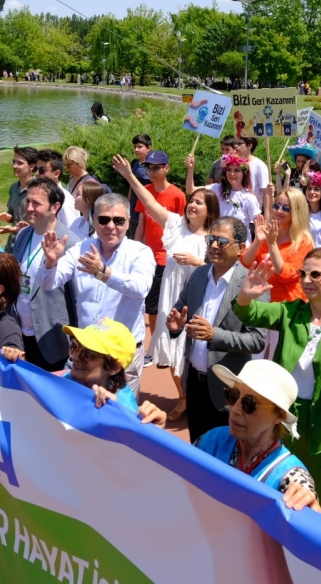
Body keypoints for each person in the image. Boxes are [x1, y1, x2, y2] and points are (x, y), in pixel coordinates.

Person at [234, 250, 321, 520]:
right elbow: (248, 313)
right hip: (284, 418)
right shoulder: (291, 311)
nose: (307, 280)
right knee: (277, 487)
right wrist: (246, 295)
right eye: (303, 273)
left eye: (315, 274)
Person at [115, 154, 216, 411]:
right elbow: (149, 202)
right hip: (170, 297)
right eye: (192, 201)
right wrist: (130, 176)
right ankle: (182, 398)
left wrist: (197, 262)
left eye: (199, 203)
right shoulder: (175, 225)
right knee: (170, 346)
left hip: (198, 300)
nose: (192, 205)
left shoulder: (215, 238)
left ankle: (196, 397)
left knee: (192, 350)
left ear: (210, 211)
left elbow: (225, 271)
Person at [40, 193, 155, 398]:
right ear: (94, 220)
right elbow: (49, 283)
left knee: (118, 411)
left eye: (118, 220)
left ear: (128, 222)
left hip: (120, 356)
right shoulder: (80, 249)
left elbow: (141, 288)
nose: (111, 226)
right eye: (104, 220)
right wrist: (50, 262)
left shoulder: (140, 252)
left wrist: (104, 272)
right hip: (86, 351)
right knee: (79, 407)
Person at [166, 217, 267, 439]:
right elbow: (180, 311)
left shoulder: (251, 284)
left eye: (221, 241)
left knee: (224, 451)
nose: (213, 245)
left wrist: (215, 335)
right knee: (196, 446)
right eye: (210, 239)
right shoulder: (198, 275)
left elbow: (257, 340)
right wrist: (175, 327)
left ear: (241, 247)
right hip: (194, 384)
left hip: (228, 390)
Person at [195, 360, 321, 513]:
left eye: (249, 404)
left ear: (278, 416)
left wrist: (310, 507)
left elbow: (313, 516)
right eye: (233, 395)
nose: (235, 410)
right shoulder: (213, 440)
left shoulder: (290, 476)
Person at [2, 177, 78, 371]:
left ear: (55, 207)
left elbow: (77, 299)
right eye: (28, 201)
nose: (29, 208)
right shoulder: (23, 235)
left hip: (52, 343)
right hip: (20, 337)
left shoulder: (71, 243)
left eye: (36, 203)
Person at [133, 149, 187, 359]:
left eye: (155, 167)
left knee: (163, 306)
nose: (151, 171)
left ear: (166, 168)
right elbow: (141, 224)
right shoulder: (145, 191)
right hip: (148, 256)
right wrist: (135, 248)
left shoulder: (178, 195)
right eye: (148, 167)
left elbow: (183, 229)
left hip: (167, 258)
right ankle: (155, 347)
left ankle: (160, 349)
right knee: (151, 307)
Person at [63, 319, 167, 427]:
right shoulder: (64, 379)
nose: (74, 356)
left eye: (86, 354)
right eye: (75, 346)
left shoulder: (127, 410)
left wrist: (114, 411)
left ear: (114, 368)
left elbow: (132, 432)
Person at [240, 187, 314, 304]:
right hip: (260, 300)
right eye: (276, 206)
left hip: (287, 305)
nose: (279, 211)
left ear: (297, 211)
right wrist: (258, 241)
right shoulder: (267, 231)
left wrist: (272, 244)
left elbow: (286, 275)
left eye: (286, 208)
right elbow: (245, 262)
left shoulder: (304, 241)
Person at [187, 153, 260, 233]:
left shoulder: (249, 198)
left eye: (237, 170)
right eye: (229, 170)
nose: (232, 174)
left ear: (244, 173)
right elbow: (190, 190)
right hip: (217, 238)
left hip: (239, 240)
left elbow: (259, 225)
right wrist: (191, 169)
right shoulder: (217, 188)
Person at [0, 146, 38, 254]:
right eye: (14, 162)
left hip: (30, 245)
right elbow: (13, 217)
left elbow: (40, 222)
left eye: (19, 163)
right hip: (12, 244)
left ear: (32, 166)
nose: (14, 166)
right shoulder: (13, 188)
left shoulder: (38, 189)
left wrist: (14, 229)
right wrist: (9, 217)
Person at [35, 149, 82, 234]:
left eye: (42, 170)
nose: (37, 173)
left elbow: (71, 233)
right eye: (36, 169)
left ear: (56, 173)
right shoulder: (41, 195)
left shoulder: (65, 201)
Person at [127, 134, 152, 237]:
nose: (136, 149)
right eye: (135, 147)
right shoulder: (134, 163)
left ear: (149, 148)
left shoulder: (153, 166)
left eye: (140, 147)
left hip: (146, 210)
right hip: (133, 209)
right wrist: (128, 203)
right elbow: (131, 185)